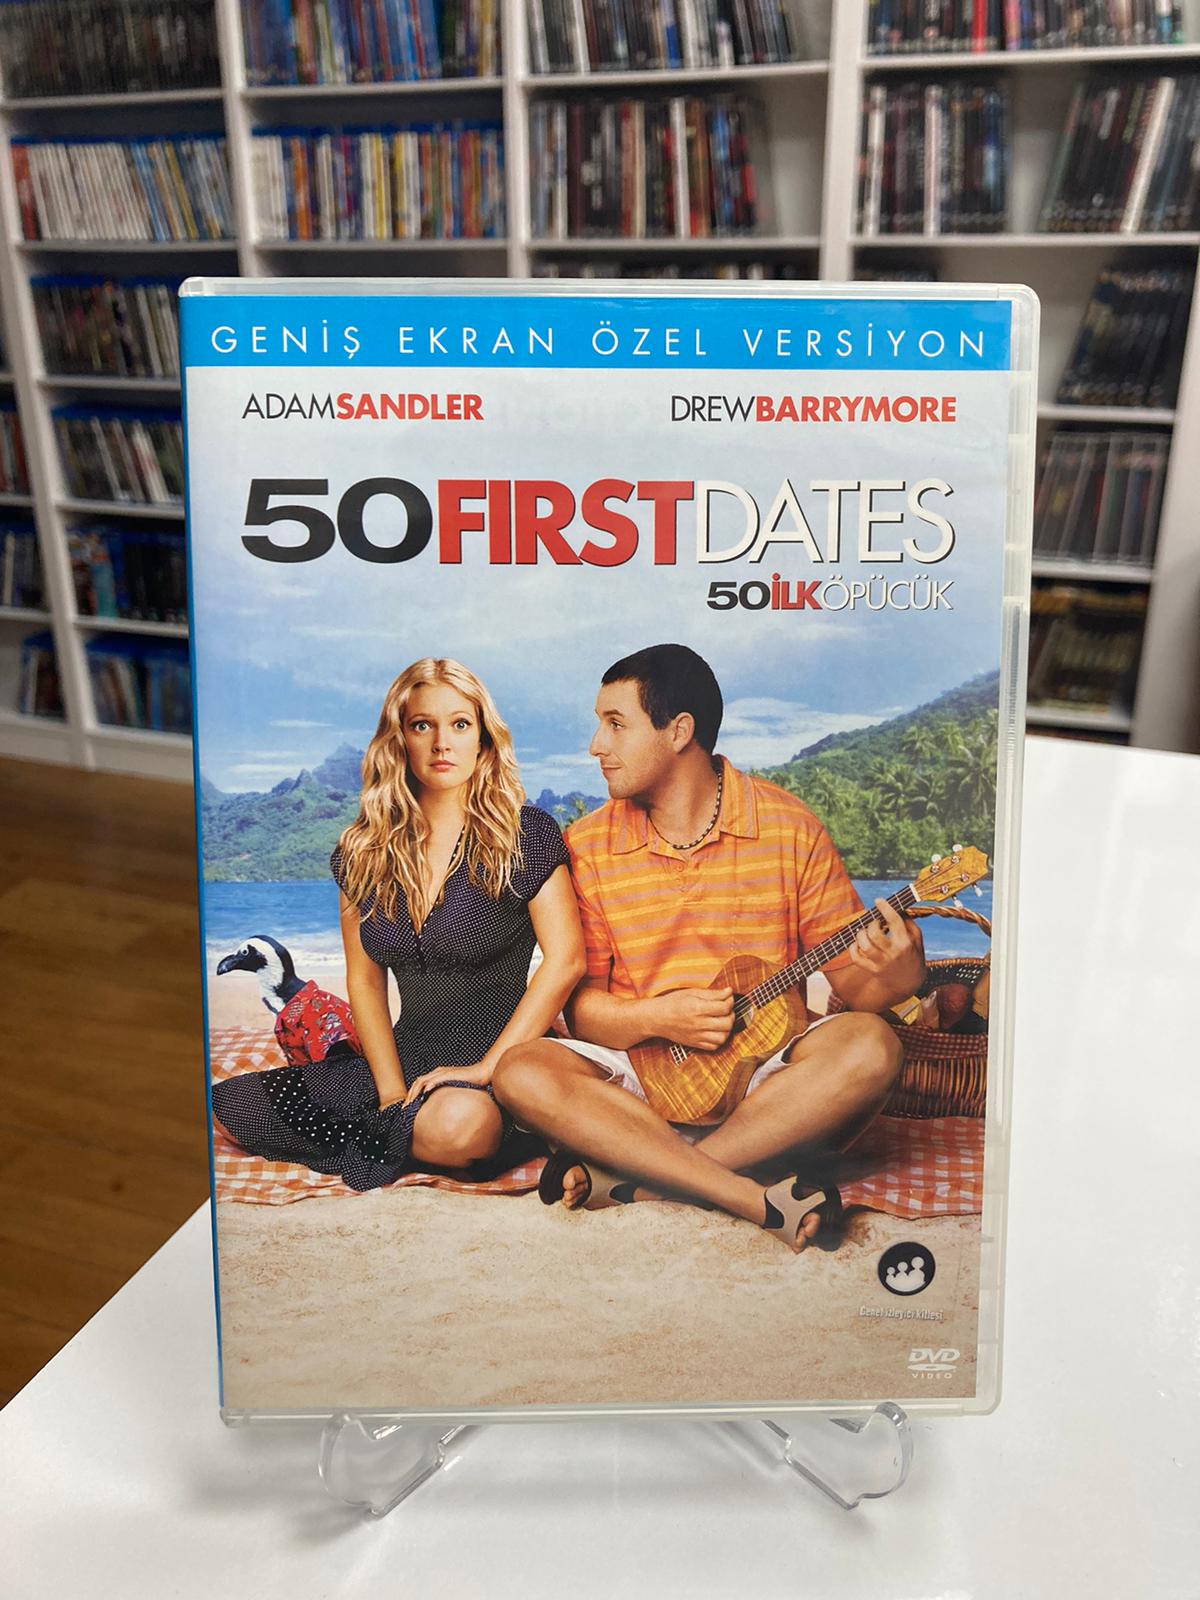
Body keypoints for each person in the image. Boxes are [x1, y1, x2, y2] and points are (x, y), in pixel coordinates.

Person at [492, 644, 923, 1252]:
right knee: (522, 1070)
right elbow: (583, 1013)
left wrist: (899, 980)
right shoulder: (585, 846)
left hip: (764, 1087)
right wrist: (656, 1017)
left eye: (615, 724)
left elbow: (856, 992)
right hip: (640, 1081)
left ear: (678, 732)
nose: (595, 745)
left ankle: (642, 1179)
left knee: (873, 1045)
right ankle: (743, 1194)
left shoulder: (790, 827)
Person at [212, 658, 585, 1192]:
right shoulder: (362, 851)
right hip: (402, 1060)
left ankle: (409, 1136)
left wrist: (485, 1069)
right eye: (422, 725)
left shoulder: (526, 835)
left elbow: (566, 960)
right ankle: (392, 1131)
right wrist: (390, 1095)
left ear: (483, 738)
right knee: (231, 1109)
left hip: (505, 1060)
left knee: (459, 1127)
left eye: (460, 724)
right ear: (399, 739)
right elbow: (364, 982)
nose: (442, 744)